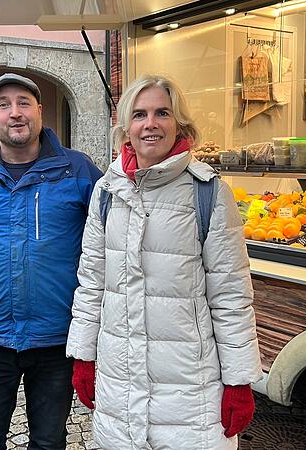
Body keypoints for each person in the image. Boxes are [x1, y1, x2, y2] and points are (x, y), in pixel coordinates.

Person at [67, 74, 263, 449]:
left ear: (179, 124)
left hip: (190, 387)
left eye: (162, 113)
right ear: (126, 127)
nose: (150, 123)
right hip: (120, 382)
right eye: (140, 114)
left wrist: (238, 381)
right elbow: (91, 282)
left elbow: (231, 296)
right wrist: (83, 355)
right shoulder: (106, 192)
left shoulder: (208, 193)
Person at [0, 73, 103, 450]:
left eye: (24, 103)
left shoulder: (77, 171)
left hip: (57, 338)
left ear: (40, 112)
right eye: (3, 105)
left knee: (48, 441)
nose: (15, 113)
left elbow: (109, 247)